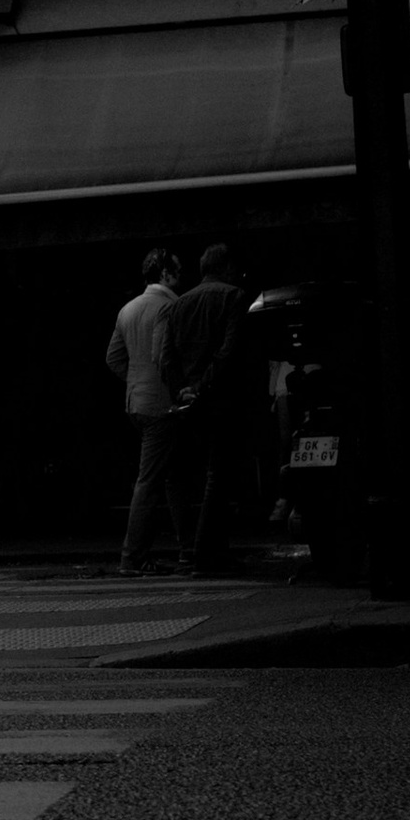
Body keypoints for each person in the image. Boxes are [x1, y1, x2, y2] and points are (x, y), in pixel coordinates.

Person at [160, 242, 251, 575]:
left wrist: (182, 390)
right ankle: (206, 552)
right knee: (219, 476)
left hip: (188, 401)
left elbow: (167, 356)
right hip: (219, 397)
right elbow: (229, 351)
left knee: (190, 475)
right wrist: (201, 387)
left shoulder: (180, 303)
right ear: (226, 267)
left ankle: (200, 549)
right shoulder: (234, 296)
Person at [105, 245, 185, 573]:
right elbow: (163, 356)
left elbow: (113, 358)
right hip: (162, 404)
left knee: (170, 475)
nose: (181, 275)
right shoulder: (170, 306)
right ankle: (133, 556)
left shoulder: (127, 309)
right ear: (165, 274)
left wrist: (136, 379)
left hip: (135, 402)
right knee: (152, 480)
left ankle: (188, 547)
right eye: (177, 270)